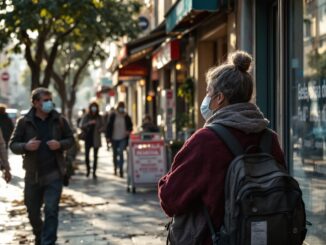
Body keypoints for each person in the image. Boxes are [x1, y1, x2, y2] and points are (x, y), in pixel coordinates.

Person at [158, 51, 285, 244]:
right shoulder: (269, 139)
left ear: (219, 98)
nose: (206, 98)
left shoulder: (205, 141)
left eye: (208, 92)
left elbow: (170, 199)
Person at [9, 87, 74, 245]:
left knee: (51, 210)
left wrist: (59, 144)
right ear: (36, 103)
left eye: (50, 100)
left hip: (54, 174)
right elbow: (12, 144)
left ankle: (48, 241)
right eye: (45, 100)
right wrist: (26, 146)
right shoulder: (24, 122)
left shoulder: (59, 120)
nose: (49, 103)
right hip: (33, 175)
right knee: (32, 212)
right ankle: (40, 234)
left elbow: (71, 139)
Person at [106, 101, 132, 177]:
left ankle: (121, 170)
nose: (121, 109)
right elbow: (109, 127)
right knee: (115, 154)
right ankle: (115, 168)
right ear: (117, 108)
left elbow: (130, 126)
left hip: (123, 138)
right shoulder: (113, 115)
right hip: (114, 137)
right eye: (120, 107)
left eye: (122, 107)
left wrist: (128, 131)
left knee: (121, 153)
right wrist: (108, 137)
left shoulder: (126, 116)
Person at [80, 101, 104, 179]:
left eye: (95, 107)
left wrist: (101, 129)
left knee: (95, 156)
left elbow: (103, 126)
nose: (94, 109)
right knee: (87, 156)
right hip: (88, 138)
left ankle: (94, 172)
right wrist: (89, 123)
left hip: (96, 138)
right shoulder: (86, 116)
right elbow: (81, 125)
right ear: (90, 108)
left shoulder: (99, 117)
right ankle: (88, 170)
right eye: (92, 107)